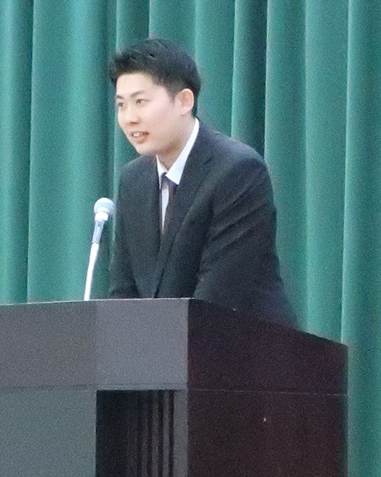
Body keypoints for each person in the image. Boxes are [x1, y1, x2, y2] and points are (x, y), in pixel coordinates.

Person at [107, 37, 297, 327]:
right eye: (121, 105)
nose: (129, 118)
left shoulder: (237, 171)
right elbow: (124, 292)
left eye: (140, 102)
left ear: (184, 101)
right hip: (167, 347)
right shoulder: (133, 180)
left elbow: (218, 296)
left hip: (245, 345)